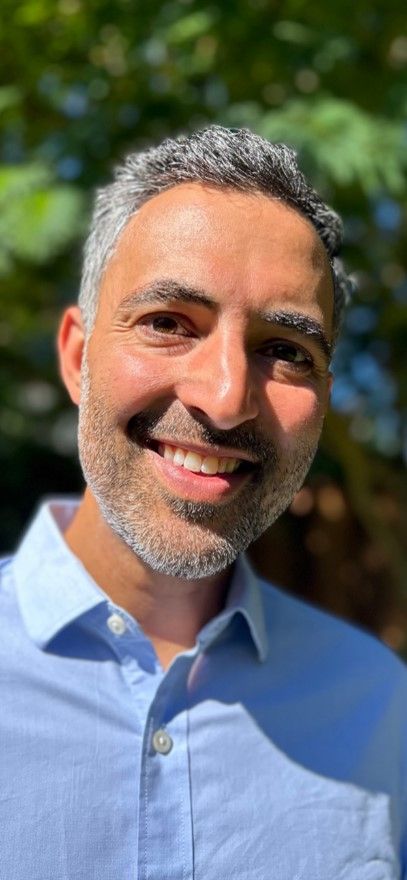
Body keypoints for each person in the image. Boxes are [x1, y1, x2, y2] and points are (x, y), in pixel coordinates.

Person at [1, 126, 406, 880]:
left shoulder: (380, 710)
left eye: (285, 351)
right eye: (168, 323)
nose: (224, 398)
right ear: (79, 358)